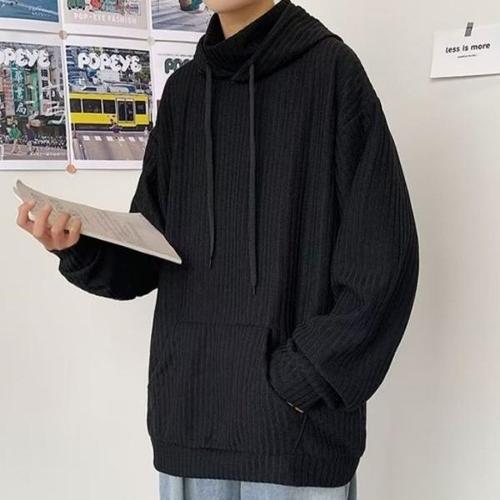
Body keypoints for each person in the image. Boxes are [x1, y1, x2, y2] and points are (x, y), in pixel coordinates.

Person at [16, 0, 419, 498]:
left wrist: (307, 378)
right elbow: (150, 252)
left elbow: (385, 257)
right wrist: (77, 247)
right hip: (190, 420)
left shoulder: (332, 71)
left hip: (293, 436)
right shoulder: (184, 91)